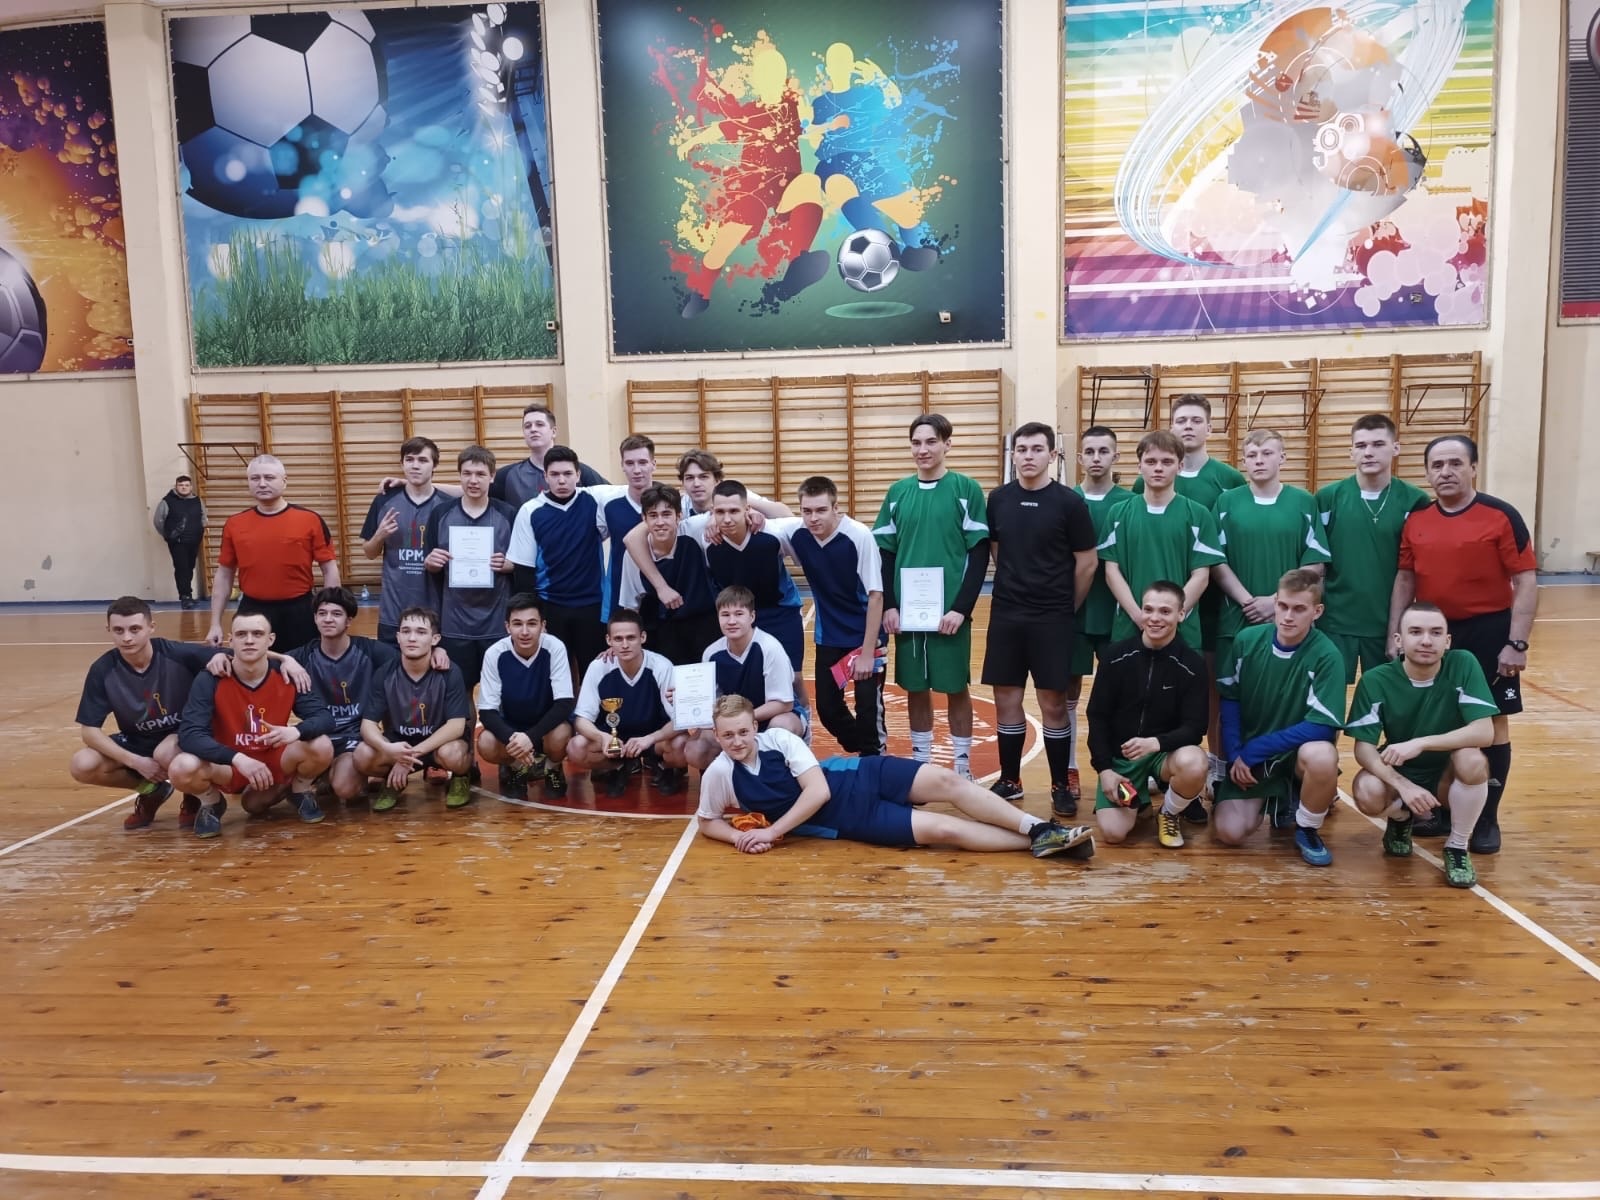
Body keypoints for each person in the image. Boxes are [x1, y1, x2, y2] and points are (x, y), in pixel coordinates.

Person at [695, 696, 1095, 859]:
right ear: (717, 735)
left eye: (743, 731)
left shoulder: (780, 740)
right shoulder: (720, 774)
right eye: (727, 735)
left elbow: (816, 792)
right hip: (852, 820)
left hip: (864, 775)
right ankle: (1046, 844)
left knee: (950, 783)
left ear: (755, 727)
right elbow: (707, 821)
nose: (737, 741)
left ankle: (1039, 828)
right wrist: (738, 837)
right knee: (946, 830)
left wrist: (770, 831)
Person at [1390, 434, 1537, 854]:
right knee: (1438, 718)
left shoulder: (1501, 515)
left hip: (1489, 631)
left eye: (1455, 463)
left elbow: (1526, 580)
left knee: (1495, 722)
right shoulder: (1417, 519)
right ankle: (1440, 809)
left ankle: (1487, 817)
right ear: (1427, 472)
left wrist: (1517, 643)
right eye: (1437, 465)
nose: (1446, 472)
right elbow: (1405, 579)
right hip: (1434, 631)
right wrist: (1394, 634)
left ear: (1473, 468)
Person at [1210, 428, 1331, 816]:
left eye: (1266, 453)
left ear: (1283, 458)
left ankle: (1296, 780)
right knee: (1231, 699)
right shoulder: (1227, 502)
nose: (1258, 460)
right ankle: (1227, 771)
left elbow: (1315, 564)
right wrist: (1249, 601)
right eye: (1251, 454)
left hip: (1291, 622)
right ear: (1243, 461)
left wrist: (1275, 604)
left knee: (1293, 701)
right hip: (1238, 618)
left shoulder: (1303, 502)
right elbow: (1215, 561)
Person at [1134, 396, 1245, 816]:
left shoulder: (1229, 479)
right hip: (1163, 606)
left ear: (1210, 428)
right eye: (1181, 419)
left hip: (1210, 603)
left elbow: (1218, 549)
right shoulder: (1143, 488)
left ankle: (1210, 767)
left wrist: (1187, 605)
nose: (1188, 426)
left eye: (1197, 420)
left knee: (1206, 688)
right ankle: (1154, 766)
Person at [625, 480, 809, 730]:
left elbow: (786, 515)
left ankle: (803, 722)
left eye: (734, 511)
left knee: (794, 677)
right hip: (735, 612)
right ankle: (734, 731)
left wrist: (752, 510)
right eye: (720, 511)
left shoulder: (770, 531)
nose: (727, 518)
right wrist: (660, 587)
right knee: (734, 678)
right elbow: (633, 537)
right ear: (711, 512)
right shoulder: (704, 535)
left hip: (778, 610)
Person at [983, 423, 1098, 816]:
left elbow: (1087, 563)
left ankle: (1059, 785)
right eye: (1021, 449)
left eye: (1036, 449)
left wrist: (1065, 605)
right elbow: (998, 550)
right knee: (1006, 699)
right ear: (1013, 454)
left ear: (1052, 455)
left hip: (1053, 617)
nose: (1028, 456)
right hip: (1007, 613)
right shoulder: (999, 499)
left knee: (1052, 702)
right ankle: (1010, 781)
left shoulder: (1069, 503)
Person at [1347, 601, 1498, 888]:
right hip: (1401, 770)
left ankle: (1457, 847)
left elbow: (1484, 732)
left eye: (1436, 633)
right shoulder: (1375, 680)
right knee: (1367, 791)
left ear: (1447, 641)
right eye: (1415, 632)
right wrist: (1403, 785)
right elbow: (1363, 749)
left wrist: (1420, 743)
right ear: (1398, 640)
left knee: (1473, 760)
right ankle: (1401, 818)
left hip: (1446, 775)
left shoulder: (1463, 664)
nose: (1426, 641)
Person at [873, 413, 991, 777]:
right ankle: (922, 764)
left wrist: (961, 609)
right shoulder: (897, 493)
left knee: (956, 688)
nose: (922, 450)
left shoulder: (966, 489)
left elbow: (979, 553)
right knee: (915, 688)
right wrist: (891, 605)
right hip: (908, 614)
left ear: (947, 444)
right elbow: (885, 553)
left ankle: (962, 766)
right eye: (916, 443)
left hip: (949, 613)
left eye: (930, 442)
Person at [1214, 569, 1346, 866]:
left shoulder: (1327, 655)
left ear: (1317, 611)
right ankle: (1279, 799)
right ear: (1274, 603)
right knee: (1229, 832)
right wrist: (1236, 755)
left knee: (1322, 756)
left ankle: (1307, 826)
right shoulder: (1246, 641)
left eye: (1299, 609)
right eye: (1283, 606)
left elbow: (1322, 728)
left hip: (1294, 755)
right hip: (1252, 760)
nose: (1288, 616)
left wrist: (1253, 751)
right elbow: (1230, 700)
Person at [169, 610, 336, 838]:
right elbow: (190, 734)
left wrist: (296, 731)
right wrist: (237, 758)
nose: (249, 640)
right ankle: (211, 803)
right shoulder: (210, 678)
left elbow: (325, 718)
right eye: (241, 634)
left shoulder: (288, 674)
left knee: (321, 745)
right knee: (181, 767)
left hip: (274, 758)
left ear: (270, 639)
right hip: (229, 765)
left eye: (257, 634)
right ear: (230, 641)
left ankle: (300, 789)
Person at [71, 596, 232, 830]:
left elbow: (244, 654)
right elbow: (89, 732)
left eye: (135, 629)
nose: (127, 638)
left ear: (151, 627)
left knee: (165, 752)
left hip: (184, 736)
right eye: (118, 630)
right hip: (138, 742)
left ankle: (199, 796)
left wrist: (222, 655)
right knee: (82, 764)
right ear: (109, 630)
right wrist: (136, 762)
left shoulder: (175, 653)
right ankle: (152, 790)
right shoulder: (102, 669)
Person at [764, 476, 886, 757]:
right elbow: (758, 516)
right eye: (806, 511)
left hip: (865, 636)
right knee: (828, 710)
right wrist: (749, 516)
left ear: (836, 508)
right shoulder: (797, 532)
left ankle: (874, 759)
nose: (813, 518)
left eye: (821, 510)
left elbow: (876, 596)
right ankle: (863, 746)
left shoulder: (858, 535)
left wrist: (868, 653)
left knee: (868, 706)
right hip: (829, 635)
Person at [1086, 582, 1210, 849]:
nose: (1155, 618)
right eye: (1149, 609)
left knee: (1195, 762)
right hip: (1123, 758)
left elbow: (1196, 727)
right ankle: (1140, 801)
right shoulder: (1115, 656)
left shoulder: (1192, 664)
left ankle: (1169, 812)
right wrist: (1105, 770)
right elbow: (1097, 716)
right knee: (1114, 833)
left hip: (1163, 755)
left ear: (1181, 614)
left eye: (1165, 611)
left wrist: (1155, 743)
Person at [1316, 415, 1430, 684]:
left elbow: (1413, 571)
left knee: (1388, 698)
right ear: (1351, 452)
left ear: (1396, 448)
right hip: (1334, 623)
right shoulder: (1327, 498)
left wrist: (1398, 629)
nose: (1368, 452)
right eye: (1361, 445)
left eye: (1378, 444)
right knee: (1327, 698)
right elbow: (1316, 566)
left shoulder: (1415, 501)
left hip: (1388, 623)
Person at [1100, 430, 1224, 650]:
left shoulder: (1198, 514)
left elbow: (1201, 576)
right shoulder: (1118, 513)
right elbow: (1112, 572)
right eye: (1151, 461)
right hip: (1130, 625)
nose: (1158, 468)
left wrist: (1170, 615)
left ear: (1180, 466)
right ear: (1139, 466)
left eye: (1167, 462)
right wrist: (1140, 616)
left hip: (1182, 631)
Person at [206, 454, 338, 653]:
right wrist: (215, 623)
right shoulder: (234, 524)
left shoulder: (310, 520)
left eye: (269, 477)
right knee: (252, 668)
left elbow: (329, 569)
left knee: (302, 668)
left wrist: (331, 614)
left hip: (299, 612)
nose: (261, 483)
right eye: (255, 478)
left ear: (284, 481)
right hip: (252, 610)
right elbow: (224, 574)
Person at [423, 445, 518, 707]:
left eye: (480, 474)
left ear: (492, 476)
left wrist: (510, 565)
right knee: (459, 696)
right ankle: (464, 736)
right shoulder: (441, 514)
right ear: (459, 476)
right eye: (467, 473)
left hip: (496, 625)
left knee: (500, 694)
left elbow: (523, 563)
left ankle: (497, 735)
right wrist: (431, 563)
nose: (473, 480)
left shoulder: (508, 514)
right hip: (455, 625)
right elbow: (429, 566)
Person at [506, 445, 615, 672]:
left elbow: (637, 490)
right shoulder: (530, 511)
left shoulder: (596, 499)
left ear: (578, 475)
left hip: (593, 605)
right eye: (555, 474)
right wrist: (535, 617)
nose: (562, 480)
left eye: (567, 474)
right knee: (555, 674)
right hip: (551, 606)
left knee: (595, 671)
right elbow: (524, 574)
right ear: (545, 476)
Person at [287, 587, 401, 804]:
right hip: (319, 739)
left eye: (336, 614)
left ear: (348, 621)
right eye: (322, 613)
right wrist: (284, 660)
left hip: (355, 738)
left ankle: (347, 773)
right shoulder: (302, 656)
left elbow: (409, 657)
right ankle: (323, 772)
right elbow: (255, 657)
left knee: (345, 788)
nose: (328, 619)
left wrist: (438, 651)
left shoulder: (369, 650)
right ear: (315, 618)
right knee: (256, 800)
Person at [356, 607, 475, 811]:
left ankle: (460, 777)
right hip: (400, 745)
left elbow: (456, 726)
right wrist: (388, 749)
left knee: (454, 753)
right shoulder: (385, 673)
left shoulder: (450, 672)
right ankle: (392, 781)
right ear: (398, 637)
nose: (412, 638)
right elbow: (367, 725)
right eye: (406, 631)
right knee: (362, 754)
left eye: (421, 632)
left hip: (437, 745)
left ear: (435, 639)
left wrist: (408, 758)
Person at [566, 610, 691, 797]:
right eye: (618, 639)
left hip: (654, 740)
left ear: (643, 637)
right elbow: (581, 719)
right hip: (616, 740)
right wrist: (603, 738)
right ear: (609, 640)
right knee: (576, 748)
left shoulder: (661, 666)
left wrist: (650, 739)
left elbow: (681, 719)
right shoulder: (599, 667)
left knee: (683, 746)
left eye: (631, 638)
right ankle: (617, 767)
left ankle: (663, 766)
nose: (624, 645)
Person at [1069, 426, 1132, 797]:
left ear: (1116, 457)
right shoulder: (1065, 499)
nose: (1096, 458)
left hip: (1118, 615)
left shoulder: (1130, 502)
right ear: (1080, 458)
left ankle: (1125, 767)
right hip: (1073, 614)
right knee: (1066, 694)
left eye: (1103, 451)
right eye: (1089, 451)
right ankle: (1070, 768)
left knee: (1121, 696)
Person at [684, 586, 803, 770]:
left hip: (771, 717)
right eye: (725, 615)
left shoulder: (770, 648)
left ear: (752, 617)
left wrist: (741, 719)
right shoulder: (711, 653)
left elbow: (783, 704)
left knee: (782, 727)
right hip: (735, 722)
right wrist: (685, 698)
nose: (732, 621)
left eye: (739, 614)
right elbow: (711, 703)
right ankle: (725, 777)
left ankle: (777, 775)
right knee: (696, 749)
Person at [476, 594, 574, 801]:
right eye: (517, 624)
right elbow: (486, 712)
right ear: (507, 627)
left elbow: (564, 703)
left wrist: (530, 737)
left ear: (543, 626)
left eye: (532, 623)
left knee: (563, 733)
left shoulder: (555, 647)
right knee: (485, 742)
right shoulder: (495, 653)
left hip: (547, 728)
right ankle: (516, 767)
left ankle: (553, 768)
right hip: (512, 728)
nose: (525, 631)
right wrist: (514, 739)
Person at [618, 483, 720, 666]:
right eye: (653, 515)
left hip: (703, 627)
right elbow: (631, 606)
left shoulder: (693, 531)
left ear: (679, 516)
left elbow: (728, 509)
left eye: (666, 514)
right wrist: (622, 641)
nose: (660, 522)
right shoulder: (633, 554)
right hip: (661, 633)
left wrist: (748, 513)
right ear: (644, 519)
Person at [360, 437, 449, 644]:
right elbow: (369, 552)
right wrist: (379, 535)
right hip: (393, 612)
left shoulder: (447, 505)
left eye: (423, 460)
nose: (415, 465)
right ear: (401, 464)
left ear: (434, 465)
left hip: (435, 612)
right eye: (409, 459)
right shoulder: (384, 500)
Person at [490, 403, 607, 509]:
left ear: (554, 431)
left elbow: (611, 499)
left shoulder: (580, 472)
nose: (533, 429)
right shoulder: (507, 476)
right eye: (527, 426)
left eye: (539, 424)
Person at [152, 475, 207, 608]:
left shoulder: (197, 501)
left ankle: (188, 594)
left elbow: (203, 517)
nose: (184, 488)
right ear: (176, 486)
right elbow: (158, 521)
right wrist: (169, 535)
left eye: (186, 485)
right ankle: (185, 596)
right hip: (177, 542)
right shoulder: (167, 501)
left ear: (191, 487)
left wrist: (199, 529)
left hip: (194, 540)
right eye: (181, 485)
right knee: (181, 567)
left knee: (189, 567)